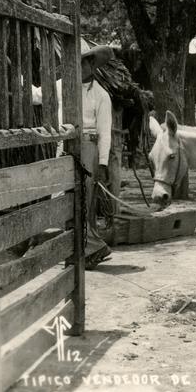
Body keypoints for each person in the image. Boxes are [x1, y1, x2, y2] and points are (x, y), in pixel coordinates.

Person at [80, 45, 115, 266]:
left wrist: (102, 163)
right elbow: (37, 95)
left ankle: (93, 247)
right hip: (65, 146)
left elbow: (104, 132)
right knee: (64, 198)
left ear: (92, 64)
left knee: (85, 199)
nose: (80, 67)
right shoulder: (61, 86)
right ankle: (84, 249)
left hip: (88, 148)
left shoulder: (101, 95)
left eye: (84, 62)